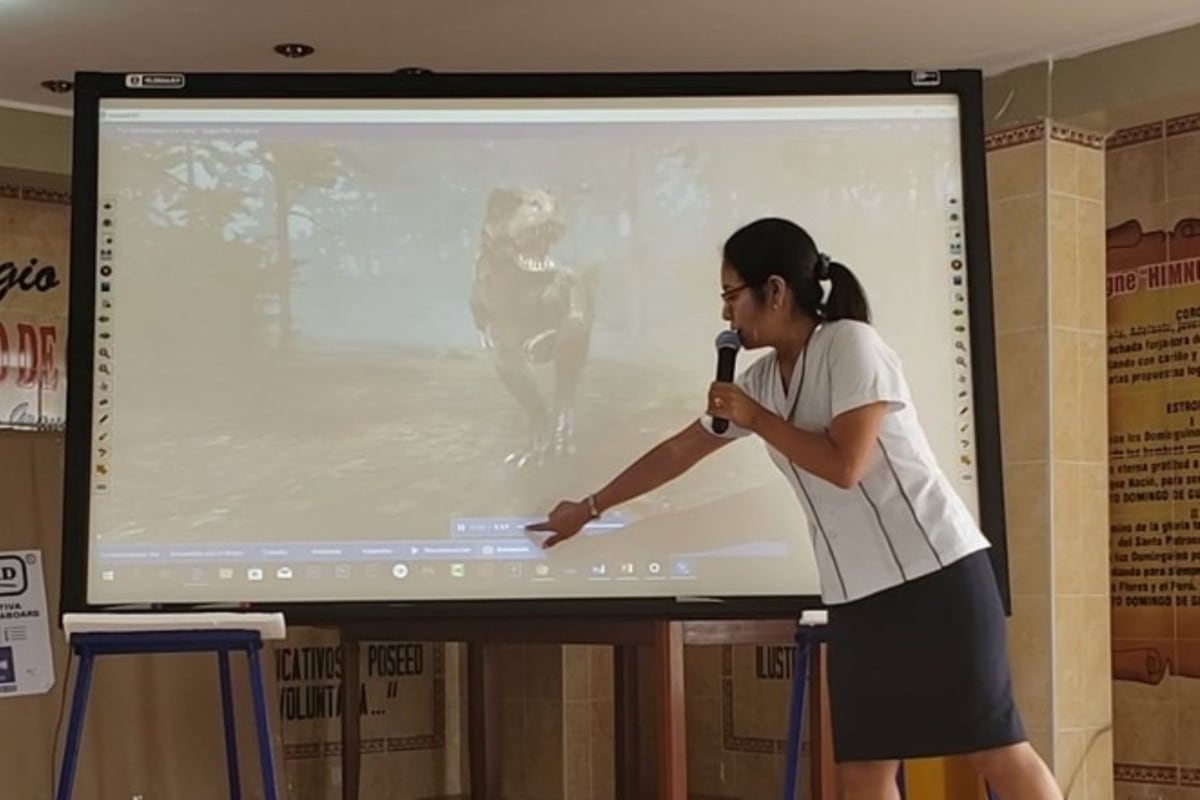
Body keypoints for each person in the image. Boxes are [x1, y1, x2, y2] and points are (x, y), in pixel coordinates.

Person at [526, 217, 1063, 800]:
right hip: (857, 596)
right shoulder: (760, 381)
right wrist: (589, 507)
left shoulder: (852, 344)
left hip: (938, 577)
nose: (726, 315)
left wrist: (757, 420)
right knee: (863, 769)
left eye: (732, 296)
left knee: (994, 749)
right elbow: (683, 449)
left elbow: (845, 467)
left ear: (775, 291)